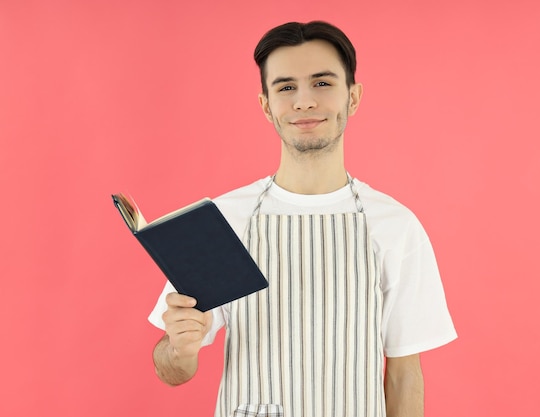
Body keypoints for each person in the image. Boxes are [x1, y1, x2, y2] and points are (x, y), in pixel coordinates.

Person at [148, 21, 456, 417]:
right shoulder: (225, 220)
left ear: (354, 97)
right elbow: (170, 369)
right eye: (286, 87)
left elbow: (403, 375)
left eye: (323, 83)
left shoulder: (395, 227)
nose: (304, 102)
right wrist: (180, 348)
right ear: (266, 105)